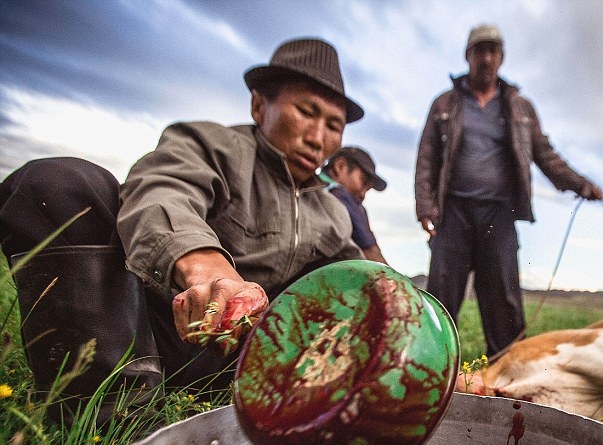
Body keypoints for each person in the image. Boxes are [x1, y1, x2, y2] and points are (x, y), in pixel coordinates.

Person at [0, 38, 365, 408]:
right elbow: (165, 188)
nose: (318, 138)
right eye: (306, 111)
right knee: (58, 185)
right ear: (259, 106)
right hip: (144, 330)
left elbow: (361, 280)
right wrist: (205, 266)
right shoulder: (211, 144)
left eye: (333, 126)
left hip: (238, 361)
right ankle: (112, 407)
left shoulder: (332, 211)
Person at [414, 23, 603, 358]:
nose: (486, 58)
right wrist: (425, 206)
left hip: (498, 215)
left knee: (504, 301)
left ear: (501, 57)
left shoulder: (520, 108)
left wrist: (579, 183)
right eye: (479, 51)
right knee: (441, 295)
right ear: (468, 56)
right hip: (453, 213)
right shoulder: (446, 103)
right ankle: (432, 369)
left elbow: (545, 154)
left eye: (493, 51)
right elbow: (426, 157)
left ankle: (505, 383)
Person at [319, 146, 389, 263]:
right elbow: (371, 254)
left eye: (367, 189)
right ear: (340, 166)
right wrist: (395, 280)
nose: (363, 195)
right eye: (363, 181)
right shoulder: (338, 194)